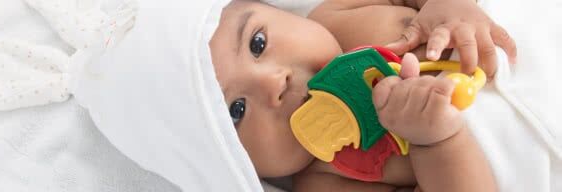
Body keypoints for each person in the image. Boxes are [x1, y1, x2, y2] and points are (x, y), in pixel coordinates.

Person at [209, 0, 517, 191]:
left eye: (257, 43)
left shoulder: (339, 11)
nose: (273, 83)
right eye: (236, 110)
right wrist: (437, 143)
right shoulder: (327, 182)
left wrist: (452, 7)